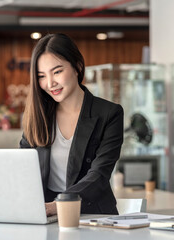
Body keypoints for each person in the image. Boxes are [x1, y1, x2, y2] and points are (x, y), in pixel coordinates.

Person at [20, 33, 124, 216]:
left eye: (57, 71)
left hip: (91, 214)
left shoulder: (109, 114)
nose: (50, 83)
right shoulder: (37, 116)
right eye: (41, 76)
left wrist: (58, 205)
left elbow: (99, 175)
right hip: (44, 213)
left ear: (77, 66)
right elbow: (22, 170)